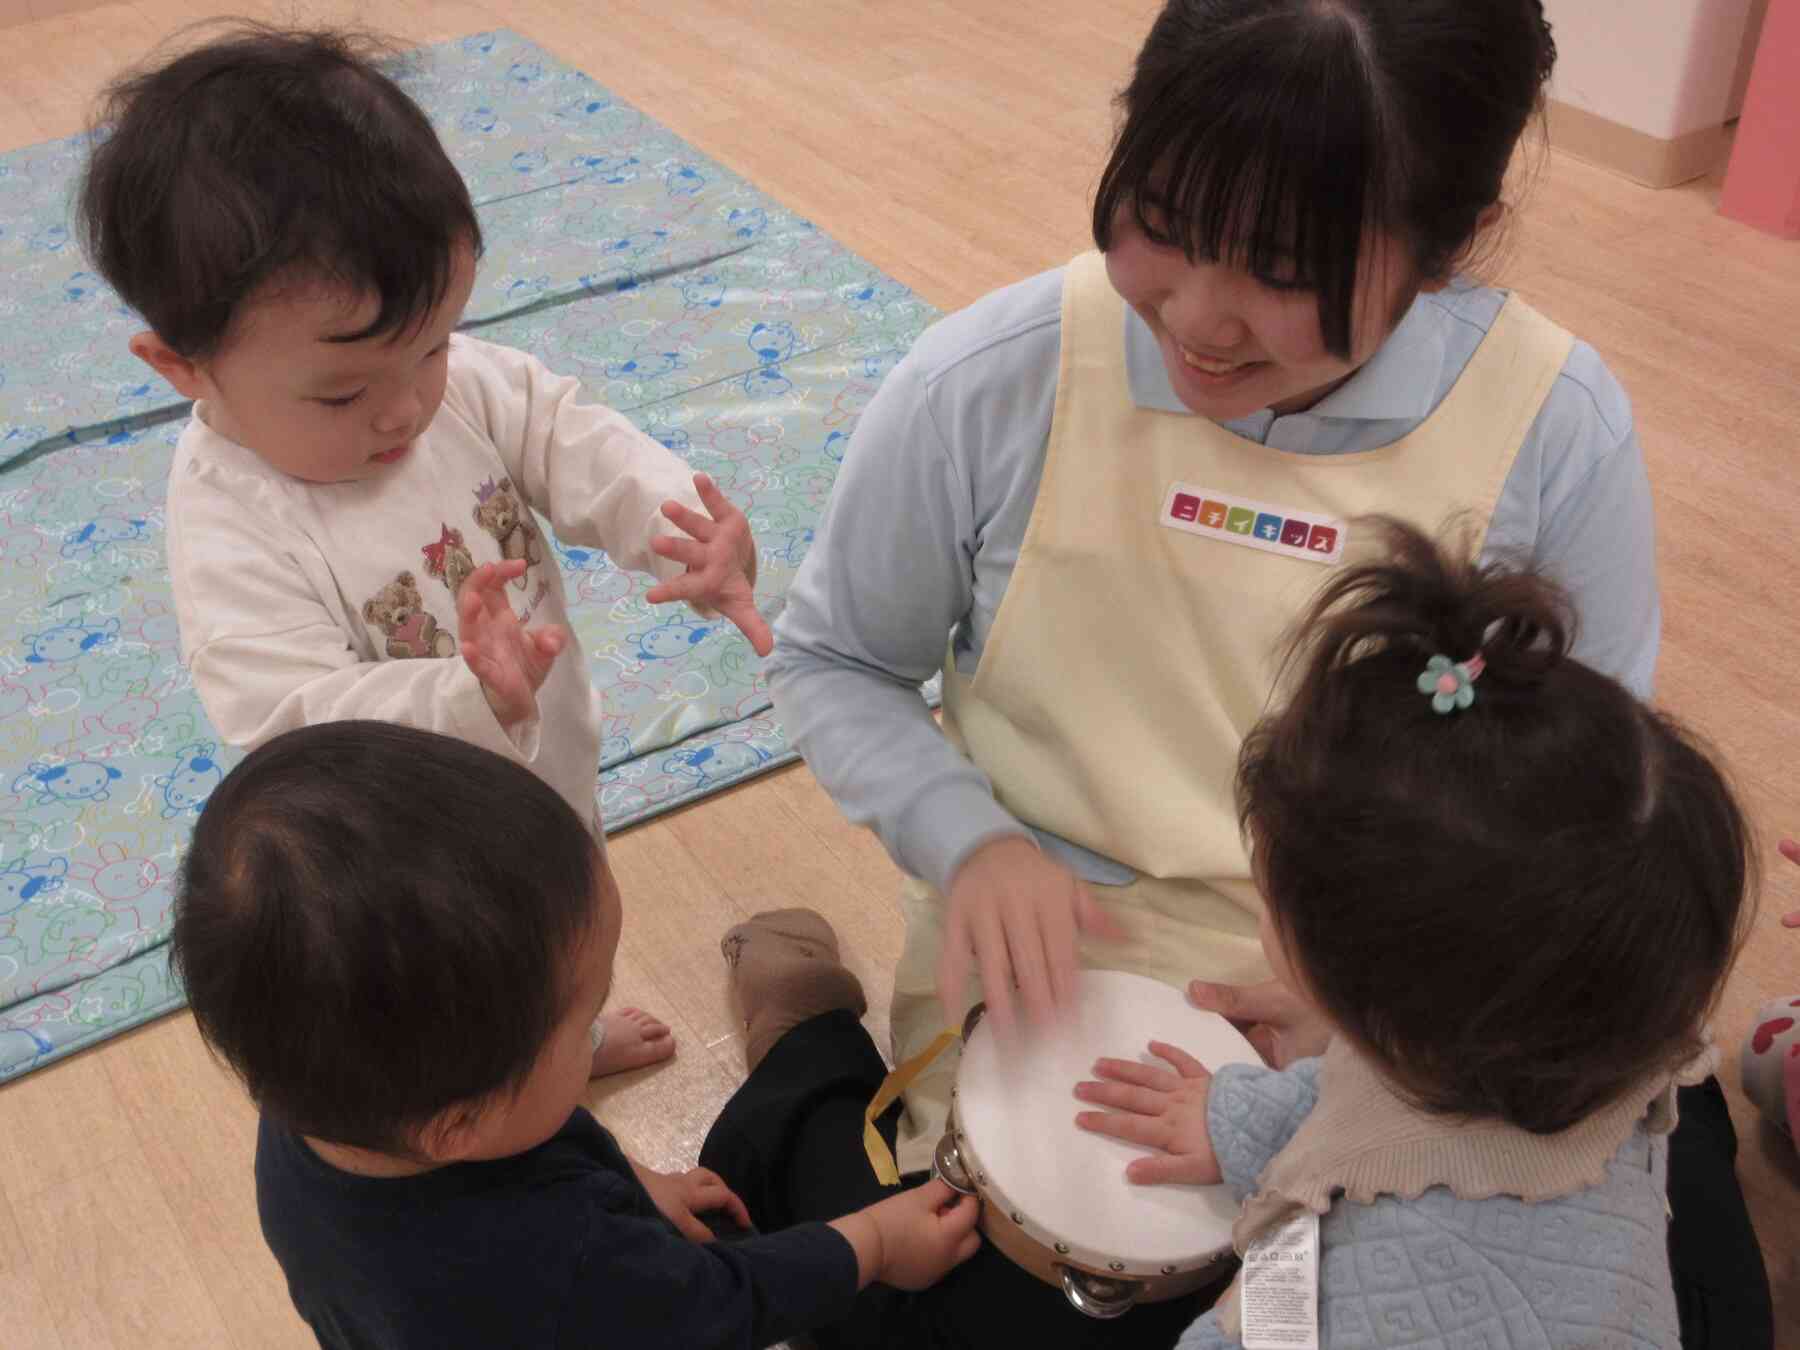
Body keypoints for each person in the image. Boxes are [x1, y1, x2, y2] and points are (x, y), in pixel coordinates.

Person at [767, 0, 1770, 1340]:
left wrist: (1377, 1004)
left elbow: (1589, 826)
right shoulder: (992, 379)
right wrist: (972, 840)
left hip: (1432, 1013)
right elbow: (835, 656)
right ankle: (799, 1044)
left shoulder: (1553, 428)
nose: (1199, 318)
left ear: (1449, 242)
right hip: (1069, 986)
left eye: (1286, 269)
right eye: (1163, 222)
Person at [76, 24, 773, 1075]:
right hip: (411, 860)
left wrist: (680, 521)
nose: (407, 406)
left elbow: (568, 435)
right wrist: (464, 697)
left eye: (435, 343)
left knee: (571, 929)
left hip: (547, 767)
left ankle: (570, 1037)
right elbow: (291, 727)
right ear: (184, 366)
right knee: (475, 1006)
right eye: (342, 393)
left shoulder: (447, 383)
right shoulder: (233, 522)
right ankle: (523, 1087)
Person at [1068, 519, 1752, 1346]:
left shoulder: (1367, 1311)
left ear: (1350, 988)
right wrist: (1238, 1119)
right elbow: (1382, 1122)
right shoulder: (1581, 1044)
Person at [170, 721, 979, 1350]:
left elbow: (525, 1131)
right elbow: (723, 1304)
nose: (598, 1021)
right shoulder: (564, 1264)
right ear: (459, 1120)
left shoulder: (325, 1112)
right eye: (581, 1019)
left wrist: (634, 1183)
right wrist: (874, 1243)